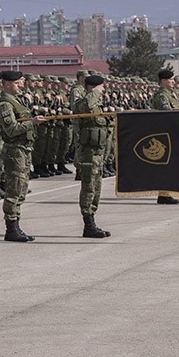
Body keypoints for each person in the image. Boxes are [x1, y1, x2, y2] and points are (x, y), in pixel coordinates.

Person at [0, 70, 46, 242]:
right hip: (14, 150)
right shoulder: (4, 105)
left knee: (21, 189)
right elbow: (11, 129)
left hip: (24, 149)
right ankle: (11, 228)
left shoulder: (17, 101)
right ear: (7, 84)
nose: (20, 85)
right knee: (14, 189)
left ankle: (16, 225)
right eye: (17, 83)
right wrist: (32, 122)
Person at [73, 74, 111, 237]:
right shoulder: (83, 101)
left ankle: (92, 220)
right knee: (88, 187)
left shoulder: (97, 104)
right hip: (88, 152)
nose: (103, 90)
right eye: (101, 87)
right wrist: (94, 93)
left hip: (98, 152)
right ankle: (88, 224)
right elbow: (83, 107)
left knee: (96, 187)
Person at [150, 69, 179, 204]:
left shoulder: (171, 94)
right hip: (164, 135)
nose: (173, 82)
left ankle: (166, 193)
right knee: (165, 165)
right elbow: (167, 113)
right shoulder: (161, 96)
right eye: (171, 79)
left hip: (171, 132)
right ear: (163, 81)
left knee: (171, 165)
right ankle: (163, 194)